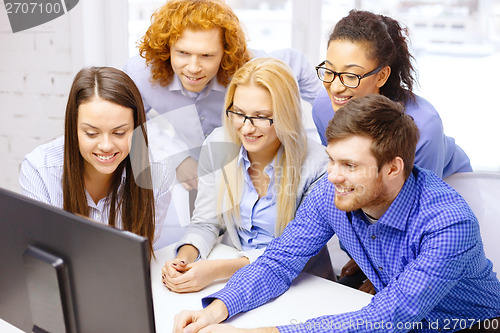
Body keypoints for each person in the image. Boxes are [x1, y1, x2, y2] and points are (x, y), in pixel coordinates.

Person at [173, 94, 500, 333]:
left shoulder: (448, 222)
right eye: (332, 159)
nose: (333, 176)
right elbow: (280, 260)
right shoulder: (333, 193)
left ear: (392, 168)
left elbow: (389, 318)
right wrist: (217, 310)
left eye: (350, 165)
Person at [311, 9, 473, 292]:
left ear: (382, 75)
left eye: (350, 75)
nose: (335, 86)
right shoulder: (324, 107)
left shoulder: (424, 126)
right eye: (329, 70)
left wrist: (385, 278)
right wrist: (362, 258)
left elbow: (410, 209)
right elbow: (355, 178)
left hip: (449, 182)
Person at [161, 58, 330, 293]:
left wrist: (215, 270)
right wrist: (185, 258)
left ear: (286, 115)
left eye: (261, 117)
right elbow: (205, 223)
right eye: (238, 113)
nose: (246, 128)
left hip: (302, 285)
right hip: (236, 281)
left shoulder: (319, 165)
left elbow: (293, 251)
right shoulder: (218, 144)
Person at [123, 0, 322, 192]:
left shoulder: (250, 66)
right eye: (183, 53)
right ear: (167, 49)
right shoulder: (141, 74)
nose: (193, 68)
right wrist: (177, 156)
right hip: (197, 177)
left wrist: (334, 136)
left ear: (225, 53)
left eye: (207, 56)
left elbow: (296, 63)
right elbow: (130, 122)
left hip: (254, 168)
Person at [19, 67, 174, 257]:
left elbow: (140, 255)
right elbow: (39, 258)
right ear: (73, 128)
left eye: (119, 133)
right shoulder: (39, 169)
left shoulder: (155, 172)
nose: (106, 146)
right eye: (92, 133)